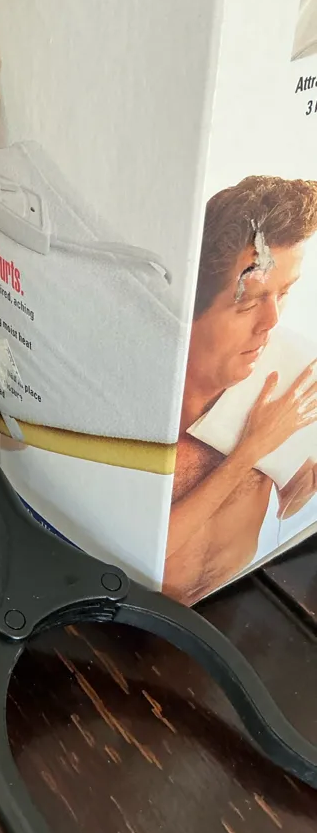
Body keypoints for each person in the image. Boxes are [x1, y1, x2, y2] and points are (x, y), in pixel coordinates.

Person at [164, 175, 317, 604]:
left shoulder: (285, 382)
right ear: (189, 308)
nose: (271, 322)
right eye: (249, 301)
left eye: (284, 293)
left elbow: (292, 503)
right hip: (129, 624)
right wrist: (250, 451)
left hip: (239, 604)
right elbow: (139, 557)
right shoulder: (140, 411)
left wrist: (303, 485)